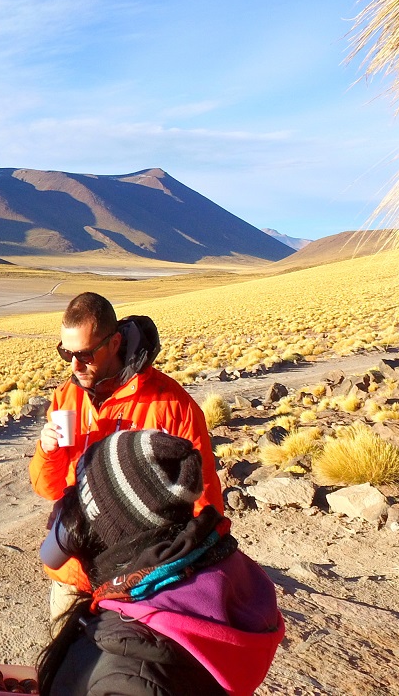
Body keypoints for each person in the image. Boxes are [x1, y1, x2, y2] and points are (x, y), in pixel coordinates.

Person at [36, 430, 283, 696]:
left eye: (76, 498)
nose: (64, 507)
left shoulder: (127, 676)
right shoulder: (203, 573)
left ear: (102, 527)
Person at [30, 292, 222, 620]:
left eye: (85, 354)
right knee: (65, 652)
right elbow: (48, 489)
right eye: (66, 353)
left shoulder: (171, 405)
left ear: (115, 342)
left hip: (139, 582)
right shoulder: (67, 397)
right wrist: (48, 452)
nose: (74, 366)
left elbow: (204, 500)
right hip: (75, 574)